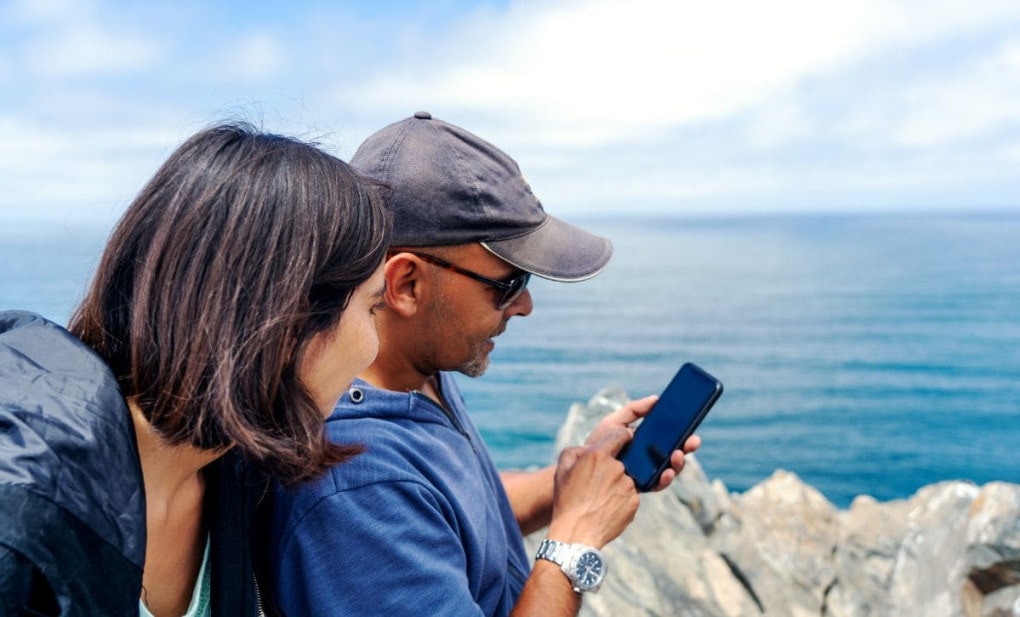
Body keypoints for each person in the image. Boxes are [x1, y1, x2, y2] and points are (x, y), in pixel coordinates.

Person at [269, 111, 700, 616]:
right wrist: (576, 537)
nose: (524, 306)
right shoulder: (357, 486)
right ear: (406, 284)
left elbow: (456, 521)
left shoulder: (418, 370)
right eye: (508, 283)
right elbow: (408, 505)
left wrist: (580, 480)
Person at [0, 122, 391, 616]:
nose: (373, 349)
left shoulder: (236, 472)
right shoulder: (21, 518)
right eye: (373, 308)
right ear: (290, 318)